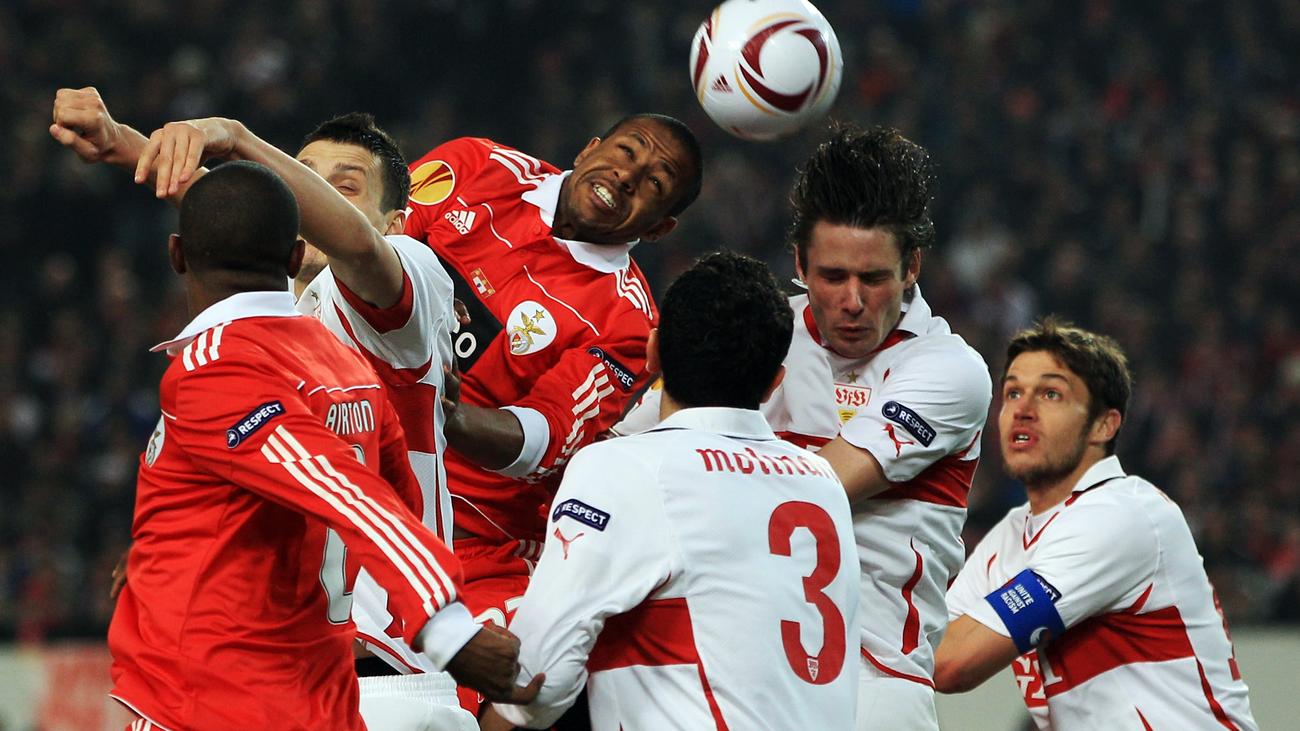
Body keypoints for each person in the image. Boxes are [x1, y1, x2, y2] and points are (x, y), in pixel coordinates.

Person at [51, 89, 480, 729]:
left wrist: (238, 138)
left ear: (394, 223)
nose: (308, 197)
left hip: (386, 678)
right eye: (300, 176)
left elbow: (355, 246)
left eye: (342, 187)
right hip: (299, 686)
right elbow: (236, 216)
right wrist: (125, 146)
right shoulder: (279, 328)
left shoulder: (407, 280)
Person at [104, 160, 541, 730]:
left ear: (177, 254)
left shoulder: (215, 365)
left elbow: (347, 492)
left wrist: (446, 627)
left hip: (216, 701)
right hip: (321, 697)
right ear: (294, 259)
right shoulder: (342, 362)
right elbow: (401, 502)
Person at [617, 126, 991, 730]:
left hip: (871, 686)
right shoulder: (757, 334)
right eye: (833, 276)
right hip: (734, 676)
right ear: (798, 264)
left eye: (874, 279)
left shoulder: (949, 371)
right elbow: (625, 454)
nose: (852, 301)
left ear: (912, 268)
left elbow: (811, 491)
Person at [400, 114, 702, 709]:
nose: (628, 174)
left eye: (655, 182)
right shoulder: (474, 167)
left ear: (660, 227)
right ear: (590, 147)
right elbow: (369, 253)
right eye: (628, 150)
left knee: (524, 686)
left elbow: (545, 441)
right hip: (351, 464)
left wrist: (444, 414)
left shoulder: (627, 322)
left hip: (467, 541)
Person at [484, 251, 858, 730]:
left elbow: (537, 683)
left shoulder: (625, 466)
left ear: (653, 353)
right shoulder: (821, 482)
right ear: (773, 384)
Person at [935, 318, 1257, 730]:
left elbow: (951, 663)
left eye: (1051, 394)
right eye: (1013, 392)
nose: (1022, 410)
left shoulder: (1123, 514)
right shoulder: (1010, 536)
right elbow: (925, 646)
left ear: (1105, 424)